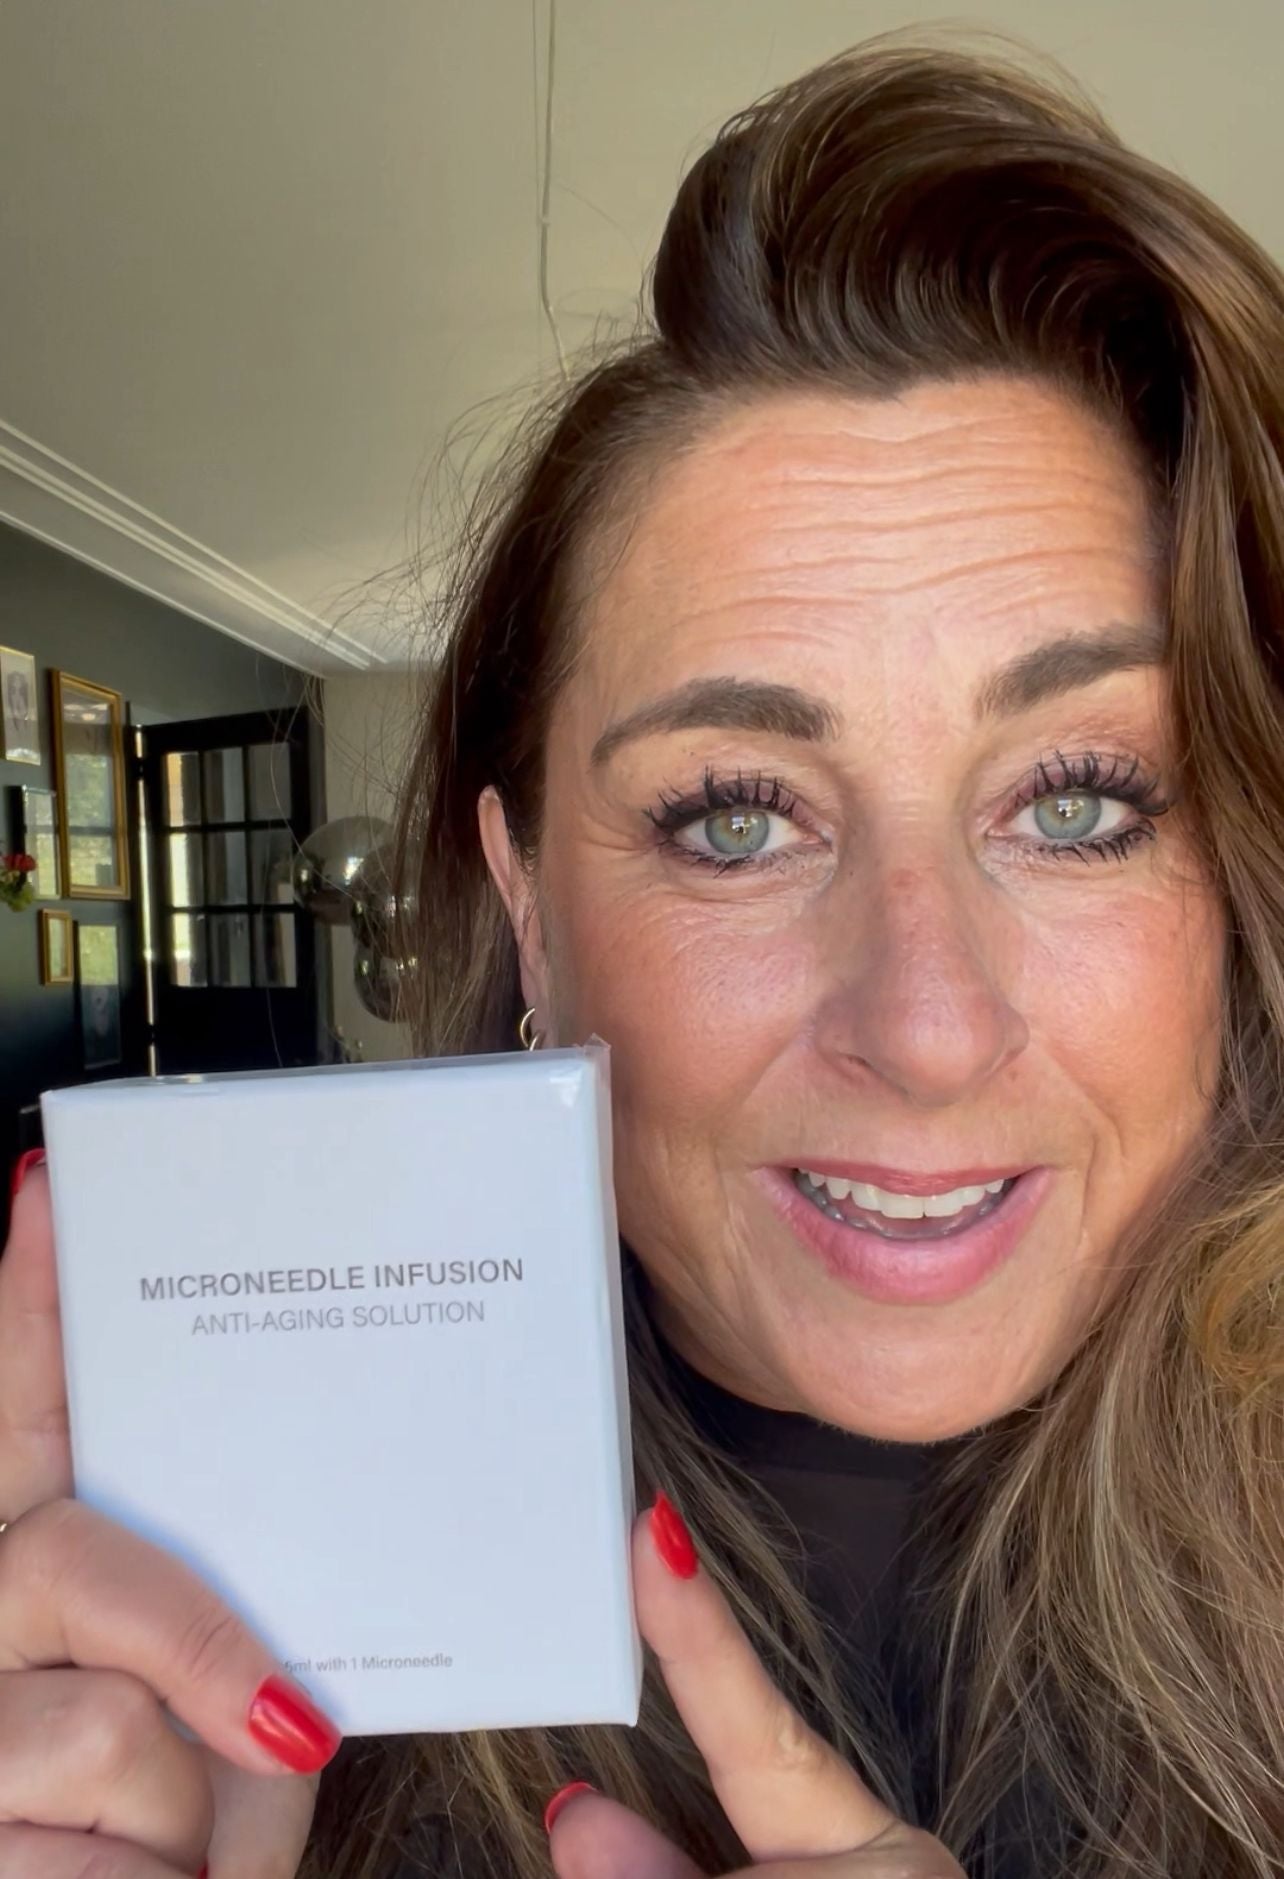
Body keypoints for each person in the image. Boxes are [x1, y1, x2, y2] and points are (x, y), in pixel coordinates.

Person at [1, 32, 1281, 1879]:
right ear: (527, 905)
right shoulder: (196, 1618)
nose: (928, 1027)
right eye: (739, 819)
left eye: (1079, 801)